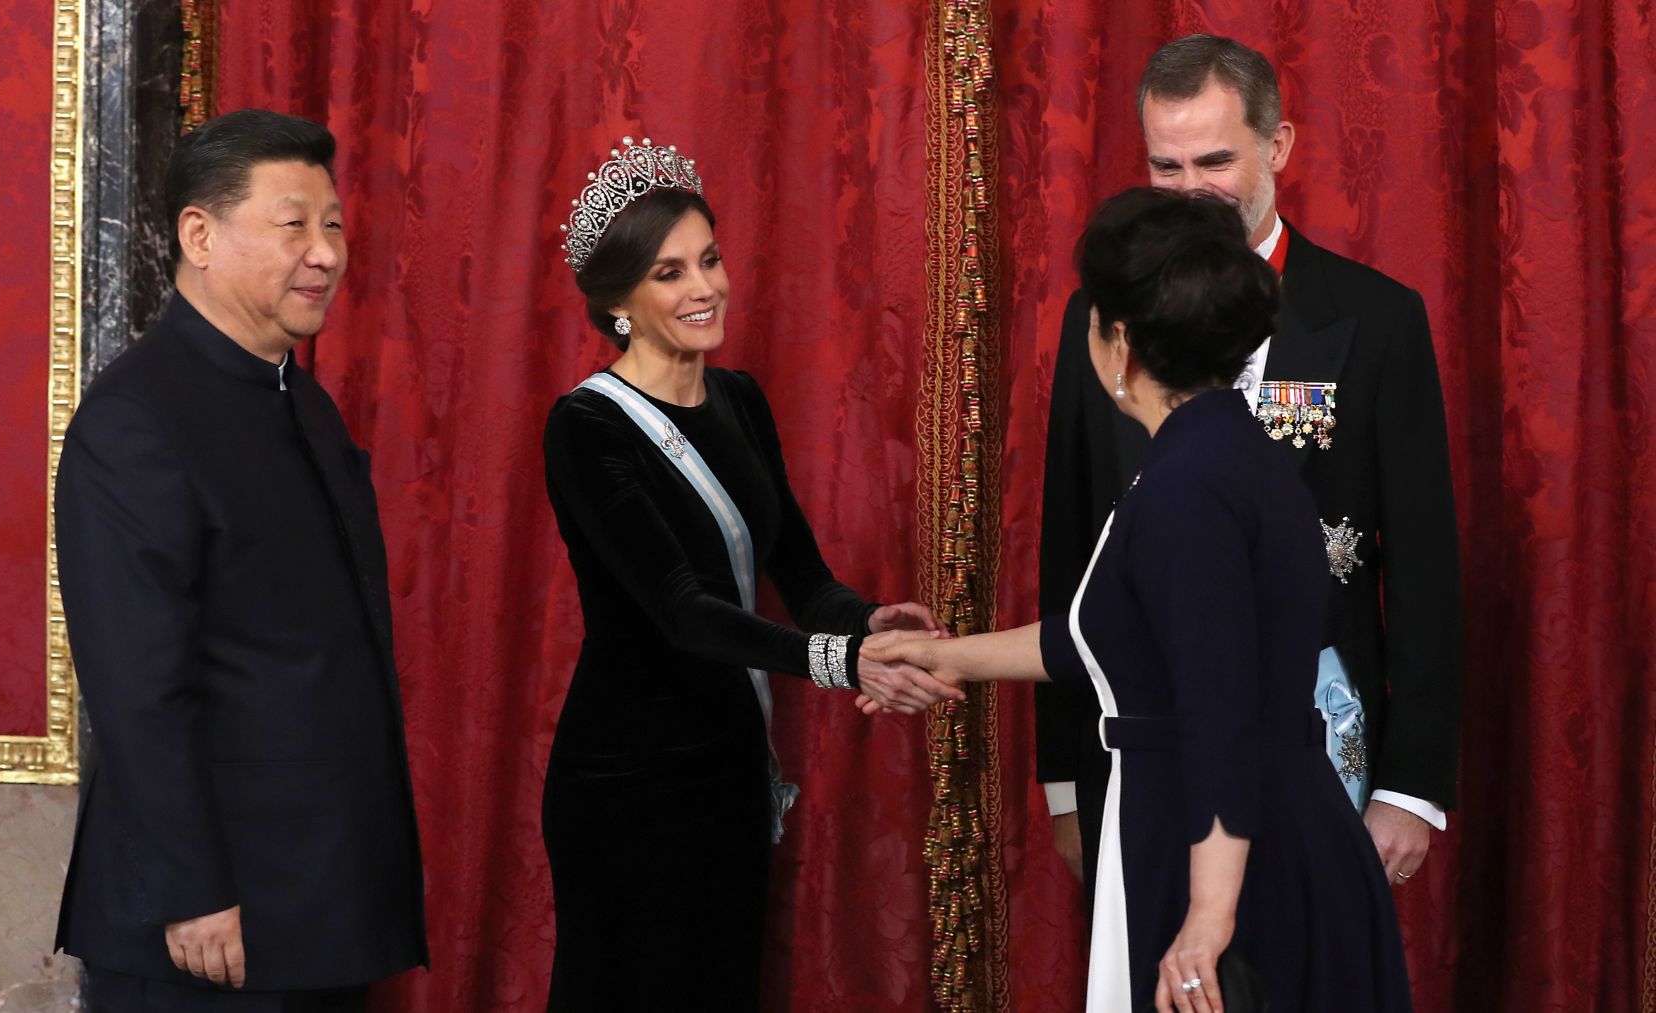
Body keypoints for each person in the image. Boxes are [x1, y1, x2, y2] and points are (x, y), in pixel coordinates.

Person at [866, 187, 1412, 1012]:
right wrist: (944, 657)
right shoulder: (1224, 448)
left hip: (1225, 850)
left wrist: (1208, 916)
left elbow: (1220, 709)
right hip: (1257, 823)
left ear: (1118, 342)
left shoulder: (1185, 488)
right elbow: (1110, 634)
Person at [1034, 34, 1462, 903]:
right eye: (1166, 165)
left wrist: (1409, 786)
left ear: (1278, 146)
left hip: (1317, 742)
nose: (1190, 191)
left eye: (1215, 161)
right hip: (1139, 742)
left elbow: (1425, 568)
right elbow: (1070, 546)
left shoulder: (1377, 319)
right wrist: (1065, 779)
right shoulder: (1100, 316)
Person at [541, 137, 957, 1010]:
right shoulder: (587, 426)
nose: (704, 287)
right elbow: (683, 610)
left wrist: (870, 623)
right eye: (669, 272)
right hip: (629, 780)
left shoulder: (740, 400)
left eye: (710, 258)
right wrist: (843, 663)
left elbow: (803, 578)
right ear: (616, 301)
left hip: (730, 770)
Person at [53, 109, 427, 1010]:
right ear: (200, 236)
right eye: (294, 224)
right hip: (207, 920)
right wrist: (191, 888)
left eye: (332, 224)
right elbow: (139, 685)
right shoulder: (136, 419)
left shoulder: (304, 403)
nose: (325, 253)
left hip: (320, 898)